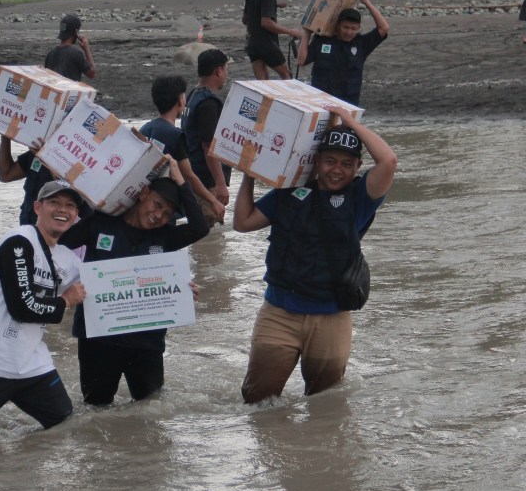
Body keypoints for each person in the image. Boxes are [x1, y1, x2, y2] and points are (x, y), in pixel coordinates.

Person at [232, 106, 397, 403]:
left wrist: (349, 122)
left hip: (332, 318)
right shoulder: (289, 191)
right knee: (257, 402)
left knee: (326, 407)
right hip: (278, 313)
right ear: (317, 161)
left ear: (358, 166)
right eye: (330, 161)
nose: (337, 170)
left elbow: (388, 160)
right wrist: (248, 177)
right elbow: (243, 223)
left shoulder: (360, 199)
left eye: (347, 164)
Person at [59, 158, 210, 405]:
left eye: (167, 213)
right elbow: (59, 243)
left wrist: (182, 181)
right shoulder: (100, 223)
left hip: (146, 341)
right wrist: (67, 286)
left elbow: (200, 228)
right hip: (98, 337)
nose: (158, 215)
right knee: (95, 409)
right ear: (143, 194)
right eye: (157, 204)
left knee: (149, 408)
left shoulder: (167, 237)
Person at [0, 180, 87, 433]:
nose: (62, 210)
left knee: (65, 426)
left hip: (31, 362)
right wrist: (65, 301)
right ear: (37, 207)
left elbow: (112, 286)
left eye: (70, 205)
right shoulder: (18, 242)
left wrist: (178, 285)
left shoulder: (69, 259)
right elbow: (23, 307)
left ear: (77, 215)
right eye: (54, 202)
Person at [139, 75, 226, 224]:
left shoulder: (146, 128)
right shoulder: (176, 135)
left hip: (146, 202)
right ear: (180, 100)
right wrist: (213, 201)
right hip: (164, 205)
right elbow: (190, 177)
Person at [296, 0, 390, 106]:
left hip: (349, 102)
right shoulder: (322, 40)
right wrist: (307, 33)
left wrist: (366, 2)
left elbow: (384, 28)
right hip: (322, 101)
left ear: (358, 28)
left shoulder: (361, 44)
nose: (349, 32)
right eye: (345, 27)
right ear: (338, 26)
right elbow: (301, 60)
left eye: (353, 28)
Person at [181, 49, 230, 224]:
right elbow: (208, 146)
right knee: (207, 233)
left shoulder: (193, 94)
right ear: (218, 70)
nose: (226, 75)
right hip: (206, 181)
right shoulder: (208, 103)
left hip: (194, 175)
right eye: (226, 69)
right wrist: (221, 184)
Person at [242, 0, 301, 80]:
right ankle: (287, 99)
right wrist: (290, 31)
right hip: (266, 43)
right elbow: (266, 23)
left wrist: (275, 5)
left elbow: (245, 19)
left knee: (263, 83)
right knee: (287, 76)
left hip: (252, 42)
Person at [44, 14, 96, 82]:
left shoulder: (50, 54)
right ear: (76, 31)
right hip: (70, 91)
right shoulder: (76, 53)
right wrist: (87, 49)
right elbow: (92, 74)